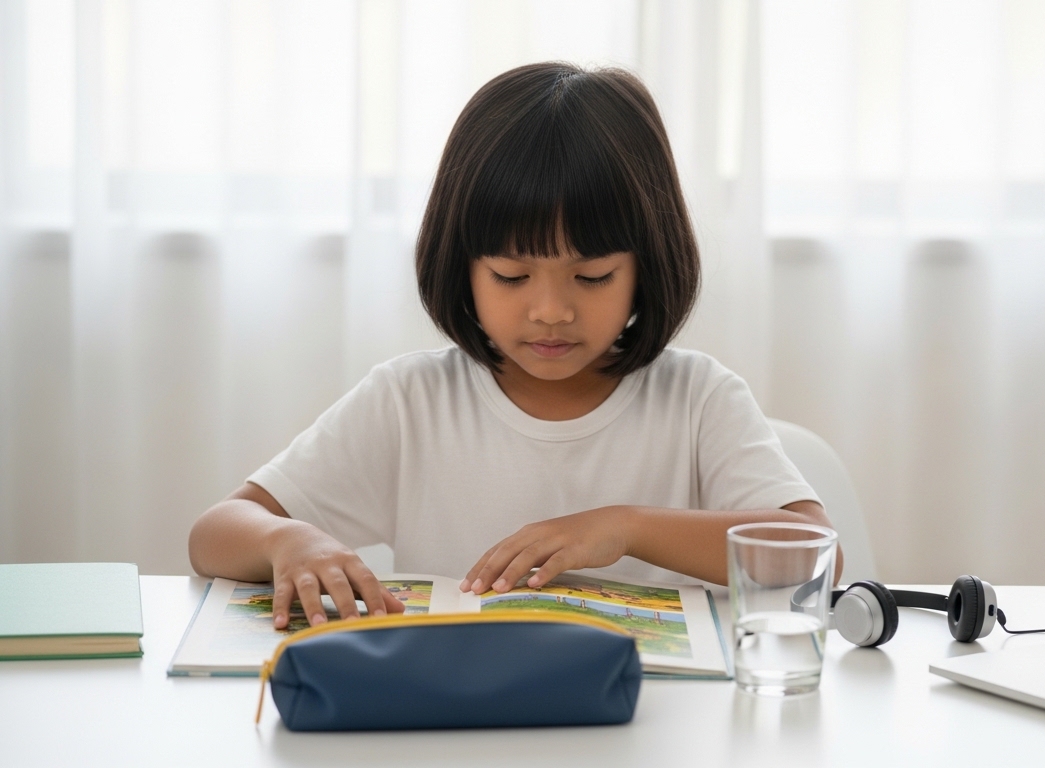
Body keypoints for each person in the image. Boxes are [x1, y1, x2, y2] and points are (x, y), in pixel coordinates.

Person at [188, 63, 837, 629]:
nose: (551, 310)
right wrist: (287, 541)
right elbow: (213, 535)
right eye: (511, 276)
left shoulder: (697, 399)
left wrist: (624, 527)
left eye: (591, 277)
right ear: (462, 265)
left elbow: (818, 555)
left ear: (648, 264)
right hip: (465, 719)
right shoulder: (411, 402)